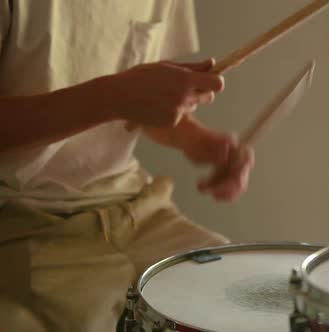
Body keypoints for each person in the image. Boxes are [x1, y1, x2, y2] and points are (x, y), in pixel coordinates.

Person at [0, 1, 254, 331]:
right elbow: (122, 95)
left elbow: (142, 94)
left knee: (249, 301)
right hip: (26, 222)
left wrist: (200, 142)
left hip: (139, 210)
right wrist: (110, 97)